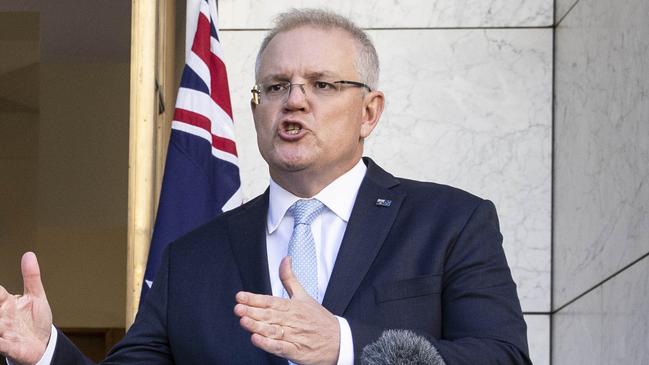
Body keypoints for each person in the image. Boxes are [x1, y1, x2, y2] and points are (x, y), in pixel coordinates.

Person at [0, 9, 531, 365]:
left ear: (370, 111)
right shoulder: (192, 257)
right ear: (257, 109)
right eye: (276, 86)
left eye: (322, 85)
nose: (294, 101)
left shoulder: (450, 222)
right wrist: (47, 349)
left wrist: (344, 347)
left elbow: (501, 356)